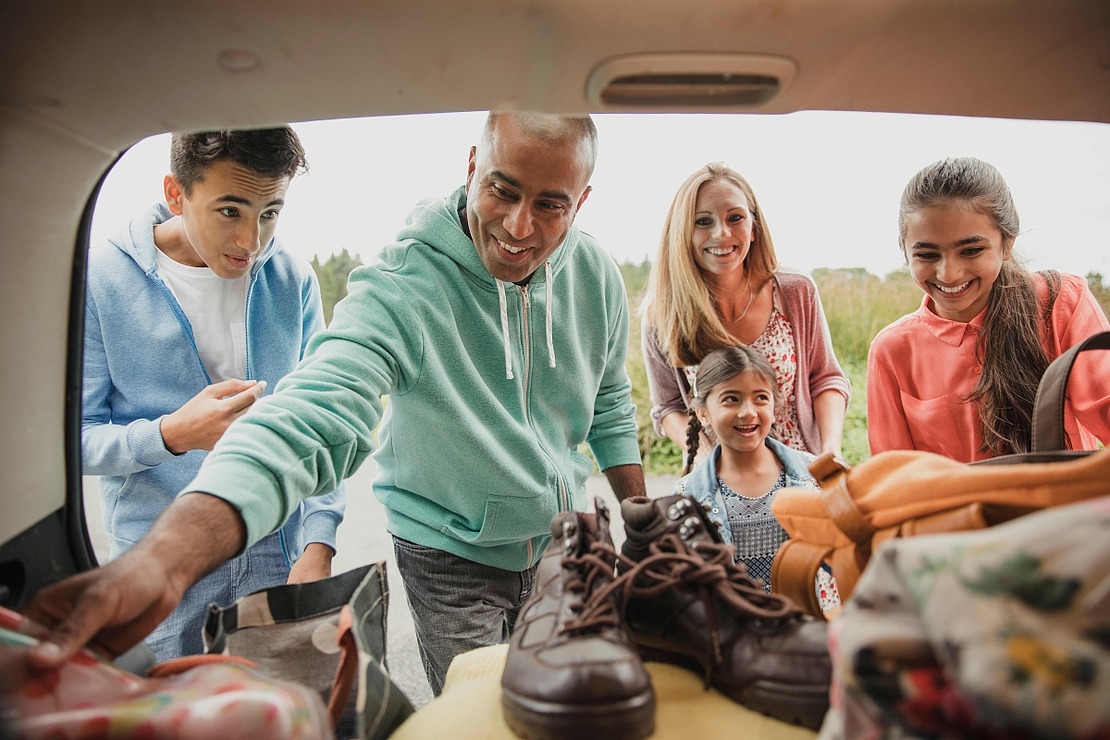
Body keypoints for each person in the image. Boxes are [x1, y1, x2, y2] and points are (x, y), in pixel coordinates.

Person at [28, 112, 646, 696]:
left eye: (550, 205)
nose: (518, 226)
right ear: (471, 167)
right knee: (487, 714)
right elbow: (316, 413)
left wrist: (644, 521)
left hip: (565, 545)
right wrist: (166, 559)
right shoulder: (405, 285)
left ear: (581, 201)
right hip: (450, 556)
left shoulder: (594, 273)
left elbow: (610, 400)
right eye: (502, 191)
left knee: (571, 710)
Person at [79, 128, 346, 661]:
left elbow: (323, 421)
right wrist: (172, 435)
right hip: (162, 566)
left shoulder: (292, 279)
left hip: (278, 553)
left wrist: (319, 543)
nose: (252, 240)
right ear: (176, 193)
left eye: (270, 212)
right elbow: (76, 441)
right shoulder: (100, 280)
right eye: (231, 211)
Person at [868, 156, 1110, 462]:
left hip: (1060, 507)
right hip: (957, 510)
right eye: (928, 254)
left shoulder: (1060, 302)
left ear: (1006, 243)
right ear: (906, 252)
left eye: (971, 251)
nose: (949, 274)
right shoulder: (892, 349)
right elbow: (895, 475)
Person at [641, 162, 850, 469]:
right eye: (702, 221)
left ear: (754, 227)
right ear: (682, 232)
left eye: (735, 217)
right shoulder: (662, 314)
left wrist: (830, 451)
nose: (721, 233)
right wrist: (708, 466)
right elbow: (669, 407)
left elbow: (826, 378)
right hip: (724, 481)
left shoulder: (794, 291)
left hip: (803, 473)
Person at [674, 345, 839, 612]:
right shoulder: (687, 495)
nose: (748, 411)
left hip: (803, 626)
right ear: (703, 413)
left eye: (760, 398)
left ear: (775, 405)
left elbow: (840, 561)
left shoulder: (813, 477)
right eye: (731, 399)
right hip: (734, 631)